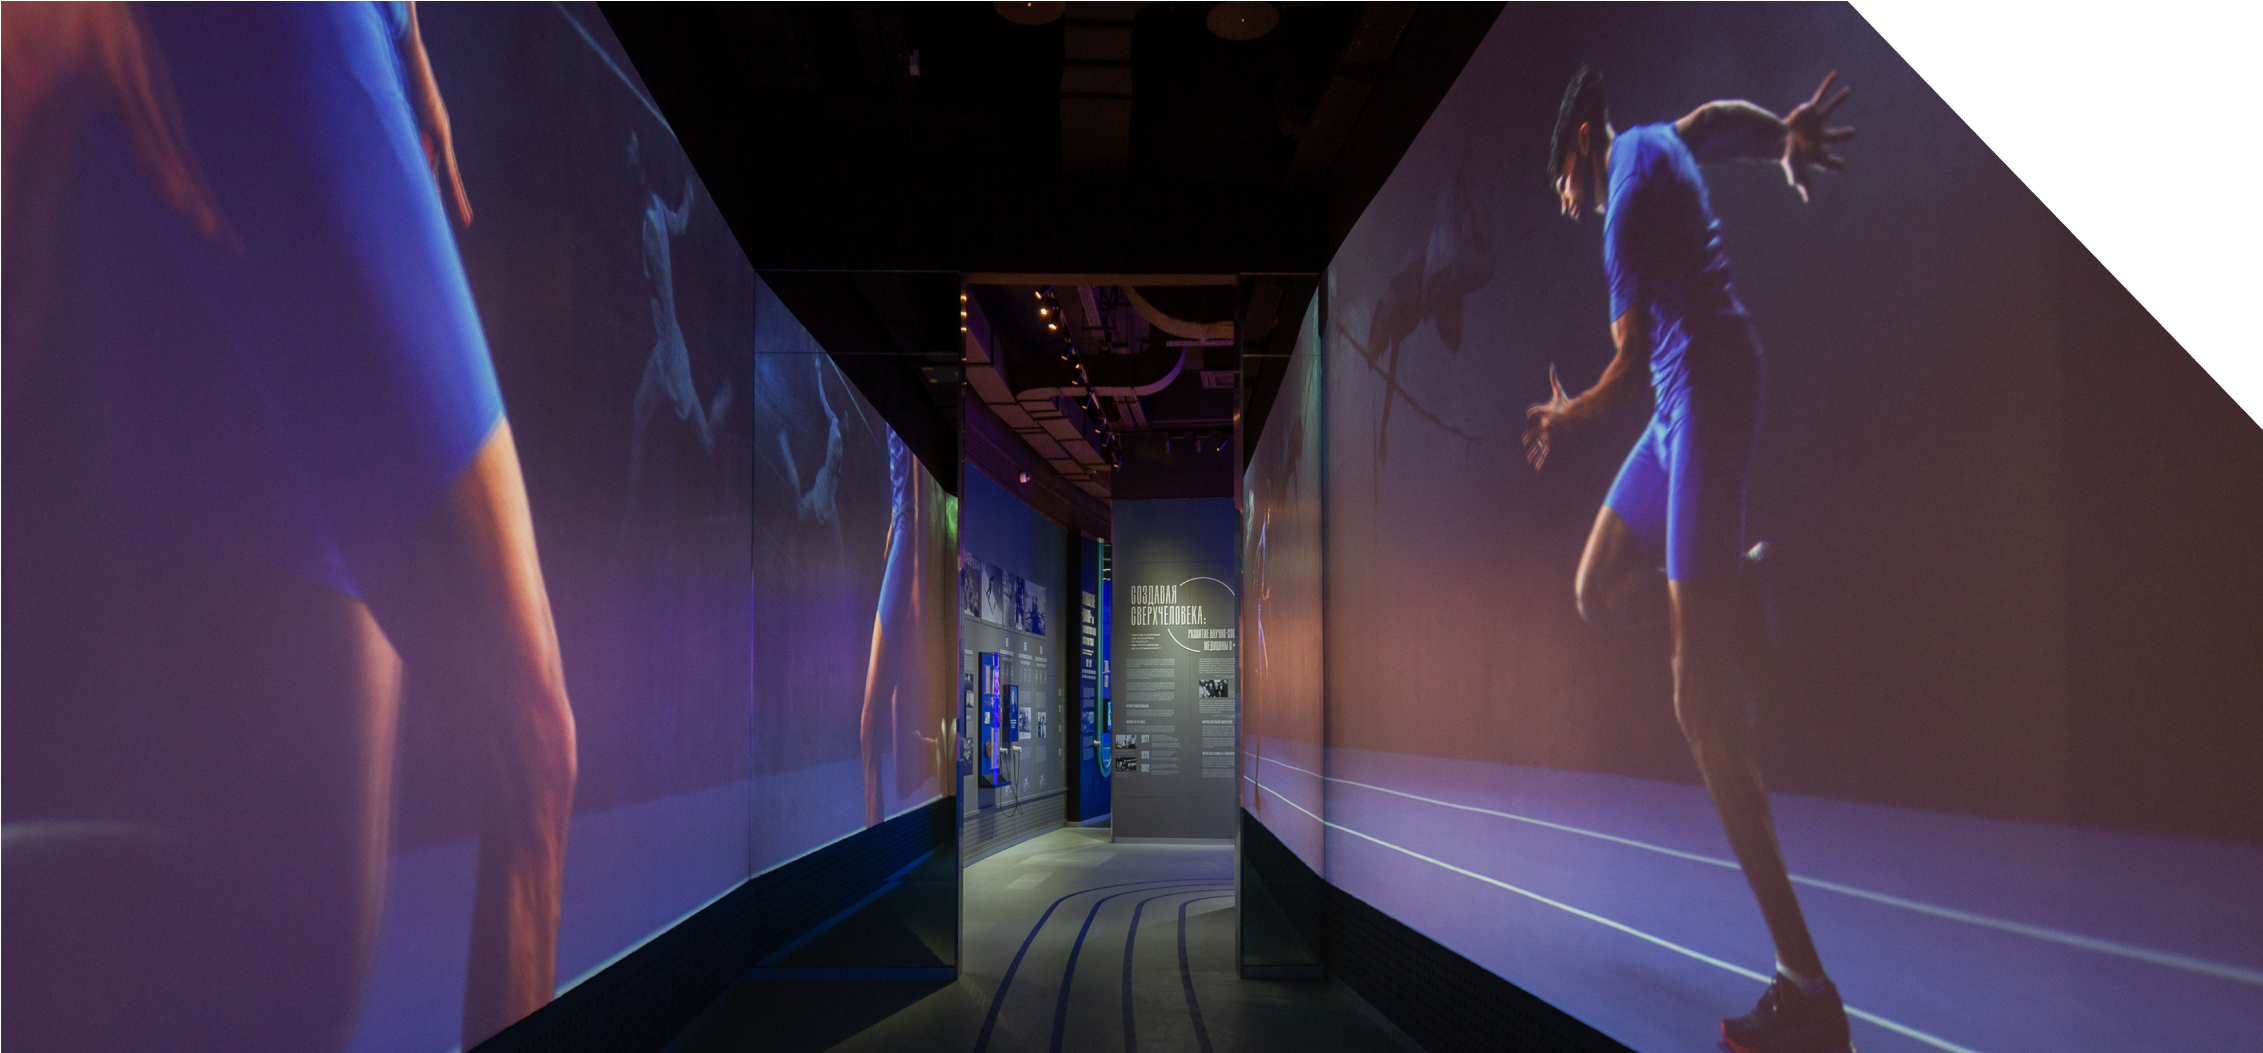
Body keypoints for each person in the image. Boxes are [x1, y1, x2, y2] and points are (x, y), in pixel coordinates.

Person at [3, 5, 574, 1049]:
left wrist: (402, 21)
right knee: (526, 744)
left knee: (299, 938)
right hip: (278, 42)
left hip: (318, 47)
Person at [1520, 66, 1856, 1053]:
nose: (1565, 198)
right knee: (1595, 589)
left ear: (1584, 143)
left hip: (1702, 391)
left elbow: (1626, 366)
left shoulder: (1622, 202)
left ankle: (1807, 989)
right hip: (1680, 403)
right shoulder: (1653, 141)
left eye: (1562, 178)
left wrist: (1568, 415)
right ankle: (1737, 585)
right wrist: (1781, 133)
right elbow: (1714, 121)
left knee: (1697, 705)